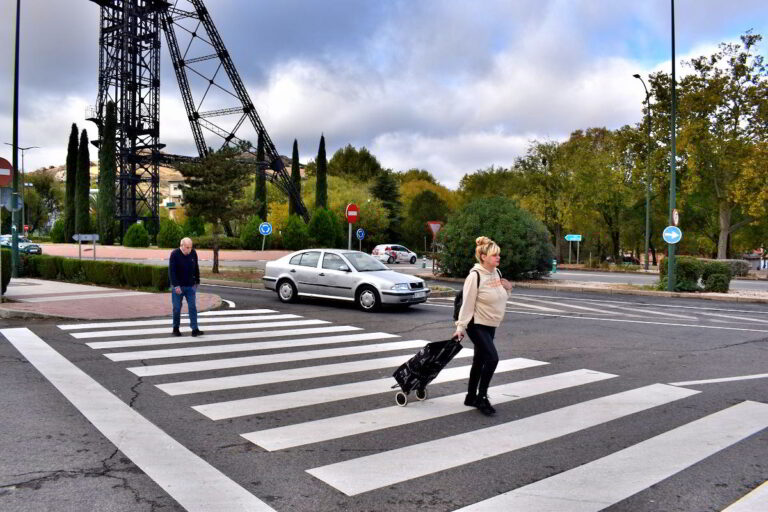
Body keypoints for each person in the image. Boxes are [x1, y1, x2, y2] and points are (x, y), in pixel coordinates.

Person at [452, 236, 513, 416]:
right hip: (476, 324)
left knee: (479, 360)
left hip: (491, 323)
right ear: (483, 257)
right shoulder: (475, 276)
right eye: (494, 255)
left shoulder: (497, 273)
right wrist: (460, 327)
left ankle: (470, 396)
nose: (498, 257)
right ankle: (482, 397)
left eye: (498, 254)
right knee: (492, 358)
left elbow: (501, 298)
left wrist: (509, 288)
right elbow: (467, 304)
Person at [168, 237, 204, 337]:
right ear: (182, 246)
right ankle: (175, 328)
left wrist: (197, 281)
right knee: (177, 308)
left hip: (190, 286)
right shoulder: (174, 254)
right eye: (187, 247)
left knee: (192, 307)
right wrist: (176, 285)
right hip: (178, 287)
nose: (189, 249)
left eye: (191, 247)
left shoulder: (193, 253)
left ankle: (195, 329)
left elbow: (196, 267)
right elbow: (172, 271)